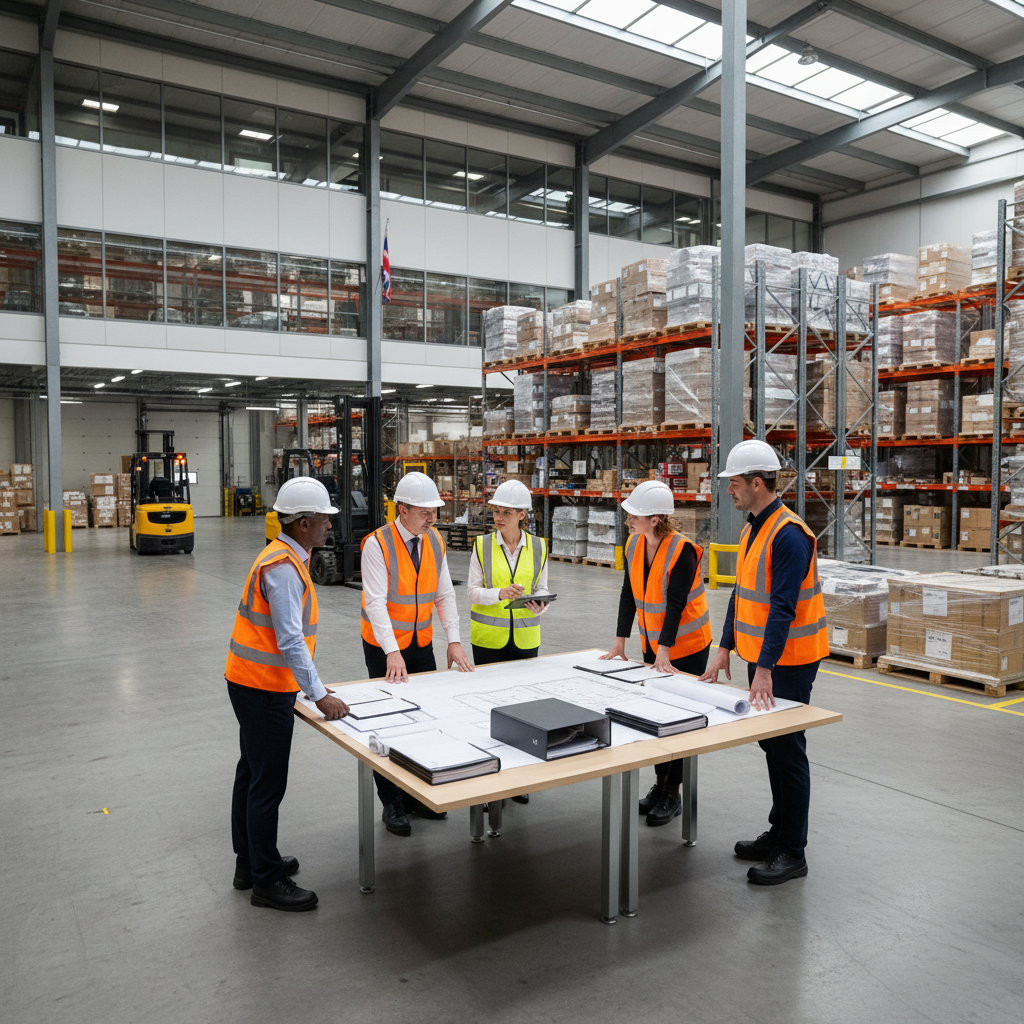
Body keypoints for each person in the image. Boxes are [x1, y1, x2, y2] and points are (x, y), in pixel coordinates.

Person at [698, 439, 828, 886]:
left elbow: (783, 608)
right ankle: (779, 832)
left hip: (788, 661)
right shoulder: (753, 528)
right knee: (771, 744)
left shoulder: (789, 535)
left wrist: (767, 670)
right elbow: (741, 593)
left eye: (733, 484)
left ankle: (793, 851)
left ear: (757, 483)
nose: (728, 492)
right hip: (763, 659)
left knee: (788, 749)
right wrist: (725, 647)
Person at [224, 477, 350, 912]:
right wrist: (318, 695)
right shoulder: (281, 568)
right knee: (266, 785)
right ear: (301, 524)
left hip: (253, 682)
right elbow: (290, 640)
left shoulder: (286, 557)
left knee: (251, 774)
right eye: (323, 520)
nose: (329, 526)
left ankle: (251, 863)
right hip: (262, 688)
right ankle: (266, 881)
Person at [361, 471, 473, 836]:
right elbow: (376, 603)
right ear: (403, 509)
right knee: (389, 722)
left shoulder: (434, 541)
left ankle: (415, 795)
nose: (432, 518)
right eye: (426, 512)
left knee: (425, 719)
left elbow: (443, 594)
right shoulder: (377, 544)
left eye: (435, 512)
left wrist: (453, 641)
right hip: (384, 648)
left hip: (420, 642)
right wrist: (392, 652)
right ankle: (391, 802)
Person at [601, 480, 713, 827]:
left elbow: (677, 603)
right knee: (656, 718)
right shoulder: (634, 545)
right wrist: (621, 641)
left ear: (655, 519)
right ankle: (660, 784)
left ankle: (673, 793)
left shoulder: (683, 551)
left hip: (688, 646)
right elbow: (627, 594)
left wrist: (664, 651)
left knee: (679, 721)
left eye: (635, 515)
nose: (629, 520)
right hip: (655, 646)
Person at [468, 479, 550, 806]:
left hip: (526, 637)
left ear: (522, 514)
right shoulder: (482, 545)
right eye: (496, 511)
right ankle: (489, 782)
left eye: (505, 511)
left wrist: (541, 603)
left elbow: (542, 587)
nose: (498, 517)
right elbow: (473, 591)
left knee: (522, 709)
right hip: (489, 639)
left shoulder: (540, 547)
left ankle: (517, 780)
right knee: (489, 709)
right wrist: (498, 594)